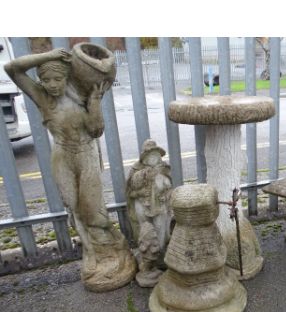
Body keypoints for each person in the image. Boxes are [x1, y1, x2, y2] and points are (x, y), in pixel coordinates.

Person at [5, 47, 136, 291]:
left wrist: (94, 103)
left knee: (93, 210)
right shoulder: (41, 97)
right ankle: (91, 254)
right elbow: (12, 68)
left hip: (85, 153)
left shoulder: (82, 96)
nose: (53, 85)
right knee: (73, 207)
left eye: (58, 79)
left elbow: (96, 131)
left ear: (67, 78)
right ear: (40, 82)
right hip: (62, 155)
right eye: (47, 80)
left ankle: (116, 247)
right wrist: (48, 56)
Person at [126, 139, 173, 287]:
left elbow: (169, 187)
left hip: (160, 205)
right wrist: (141, 190)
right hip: (143, 205)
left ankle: (159, 255)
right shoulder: (136, 171)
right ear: (144, 157)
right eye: (150, 155)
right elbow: (130, 191)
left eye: (156, 154)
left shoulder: (163, 169)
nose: (153, 158)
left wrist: (166, 193)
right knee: (145, 231)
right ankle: (147, 260)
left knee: (161, 229)